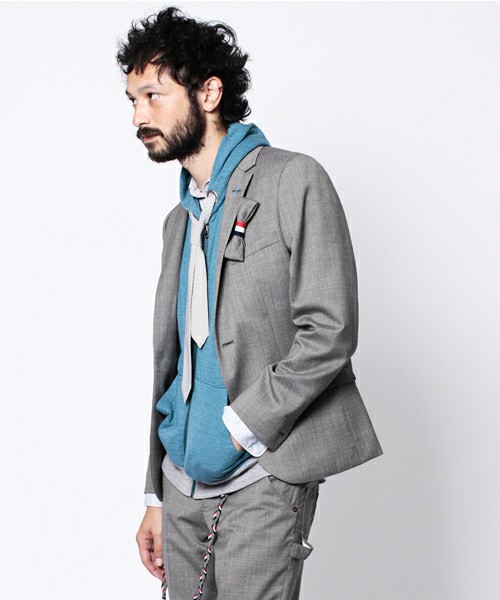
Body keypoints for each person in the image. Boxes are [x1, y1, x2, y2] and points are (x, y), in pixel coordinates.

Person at [116, 6, 383, 599]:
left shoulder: (294, 180)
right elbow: (176, 360)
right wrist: (156, 492)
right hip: (180, 483)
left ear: (209, 93)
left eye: (153, 96)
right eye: (132, 101)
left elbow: (330, 330)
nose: (138, 116)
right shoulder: (177, 222)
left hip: (263, 470)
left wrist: (242, 428)